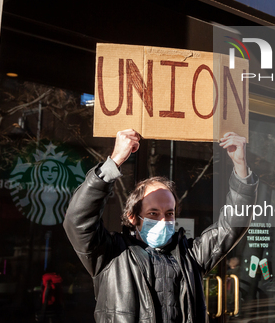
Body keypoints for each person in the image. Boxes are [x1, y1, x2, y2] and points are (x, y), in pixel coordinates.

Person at [63, 129, 258, 323]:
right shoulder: (111, 255)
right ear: (133, 217)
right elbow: (78, 220)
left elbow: (232, 225)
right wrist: (113, 163)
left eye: (169, 213)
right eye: (153, 214)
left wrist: (241, 167)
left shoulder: (190, 256)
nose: (163, 221)